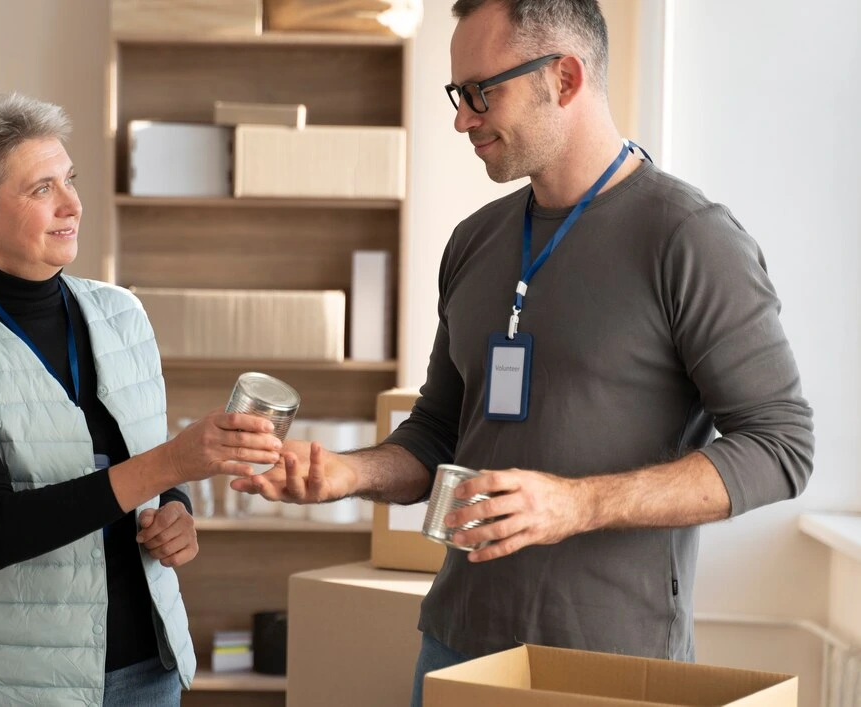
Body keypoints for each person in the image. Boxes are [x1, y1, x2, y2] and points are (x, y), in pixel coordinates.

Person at [232, 1, 815, 705]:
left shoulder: (689, 240)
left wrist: (575, 503)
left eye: (483, 92)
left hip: (609, 659)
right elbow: (440, 430)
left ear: (564, 78)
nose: (462, 118)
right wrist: (348, 473)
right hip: (456, 642)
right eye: (458, 95)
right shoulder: (474, 241)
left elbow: (782, 447)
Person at [0, 93, 283, 706]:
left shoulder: (122, 314)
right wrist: (173, 464)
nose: (71, 205)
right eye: (41, 190)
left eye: (70, 180)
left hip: (148, 667)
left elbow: (143, 456)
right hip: (4, 686)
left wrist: (176, 510)